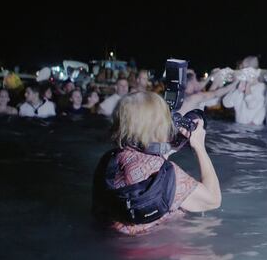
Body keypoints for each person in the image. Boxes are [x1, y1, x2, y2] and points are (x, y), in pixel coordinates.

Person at [92, 92, 221, 235]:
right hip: (153, 249)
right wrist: (199, 147)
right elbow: (213, 200)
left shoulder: (111, 158)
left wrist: (171, 146)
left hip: (111, 240)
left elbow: (145, 163)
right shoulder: (166, 173)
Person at [222, 57, 266, 125]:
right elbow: (226, 104)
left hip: (254, 130)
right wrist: (238, 91)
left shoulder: (261, 87)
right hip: (239, 128)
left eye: (244, 68)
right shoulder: (239, 85)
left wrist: (248, 86)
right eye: (241, 69)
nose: (241, 72)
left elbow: (252, 105)